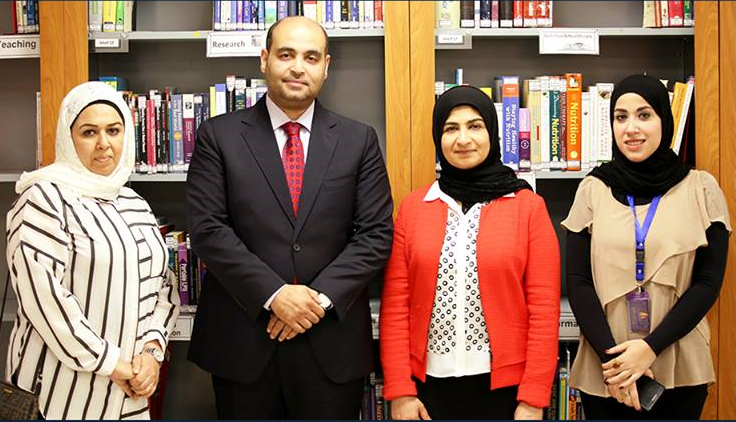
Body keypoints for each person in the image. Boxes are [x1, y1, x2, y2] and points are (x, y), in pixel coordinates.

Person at [185, 16, 393, 419]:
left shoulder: (358, 140)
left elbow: (375, 234)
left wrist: (315, 301)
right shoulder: (217, 136)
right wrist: (276, 295)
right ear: (265, 60)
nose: (298, 67)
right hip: (244, 344)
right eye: (286, 55)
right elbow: (208, 230)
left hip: (330, 344)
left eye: (311, 57)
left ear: (326, 67)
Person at [380, 85, 561, 420]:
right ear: (438, 138)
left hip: (506, 391)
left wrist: (534, 398)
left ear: (492, 132)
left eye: (475, 126)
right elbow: (395, 307)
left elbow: (544, 311)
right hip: (427, 388)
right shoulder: (414, 208)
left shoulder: (527, 208)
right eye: (451, 128)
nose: (463, 139)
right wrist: (400, 391)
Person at [4, 81, 180, 419]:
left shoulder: (134, 203)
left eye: (113, 130)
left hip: (130, 397)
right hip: (60, 397)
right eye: (89, 132)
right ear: (68, 139)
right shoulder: (43, 198)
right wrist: (115, 365)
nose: (103, 144)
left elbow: (163, 285)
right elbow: (46, 303)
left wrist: (152, 351)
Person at [562, 74, 731, 419]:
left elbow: (708, 282)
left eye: (644, 115)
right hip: (606, 369)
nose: (631, 128)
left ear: (664, 121)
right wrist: (617, 365)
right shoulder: (592, 189)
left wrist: (649, 349)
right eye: (620, 117)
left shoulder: (701, 189)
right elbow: (578, 282)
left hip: (678, 363)